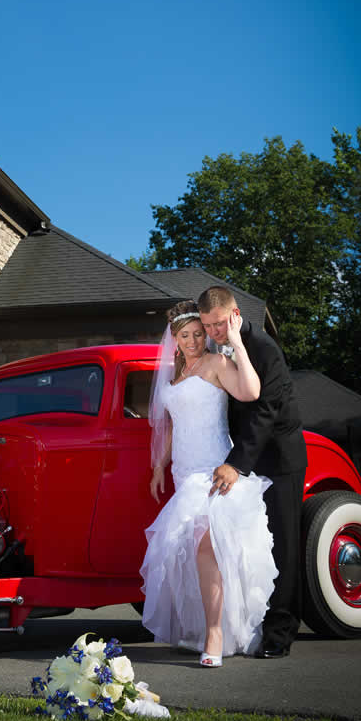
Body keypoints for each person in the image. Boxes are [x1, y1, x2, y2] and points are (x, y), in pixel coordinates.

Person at [140, 300, 278, 667]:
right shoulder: (174, 378)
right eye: (184, 335)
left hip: (216, 469)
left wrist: (237, 343)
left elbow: (250, 392)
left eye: (198, 334)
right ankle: (199, 629)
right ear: (174, 340)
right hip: (183, 474)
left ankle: (216, 633)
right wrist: (159, 466)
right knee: (188, 553)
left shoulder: (217, 364)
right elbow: (174, 426)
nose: (192, 341)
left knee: (207, 544)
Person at [197, 286, 307, 659]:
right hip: (244, 460)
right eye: (207, 325)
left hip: (279, 460)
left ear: (236, 314)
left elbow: (265, 413)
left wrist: (235, 463)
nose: (212, 331)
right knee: (250, 548)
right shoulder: (213, 349)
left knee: (284, 545)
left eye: (218, 323)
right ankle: (250, 625)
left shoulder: (264, 349)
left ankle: (280, 635)